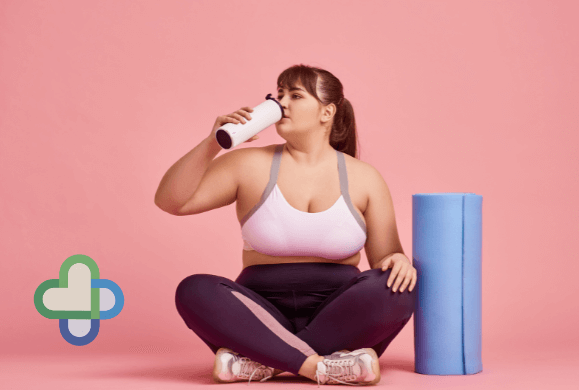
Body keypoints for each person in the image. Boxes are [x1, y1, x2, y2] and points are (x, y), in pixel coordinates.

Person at [155, 64, 417, 386]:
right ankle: (320, 367)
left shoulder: (365, 178)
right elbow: (171, 202)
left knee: (400, 286)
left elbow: (386, 257)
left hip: (338, 316)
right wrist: (213, 144)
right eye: (278, 95)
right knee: (194, 289)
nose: (281, 104)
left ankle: (266, 361)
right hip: (258, 315)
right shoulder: (248, 164)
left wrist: (399, 261)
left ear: (327, 112)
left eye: (295, 95)